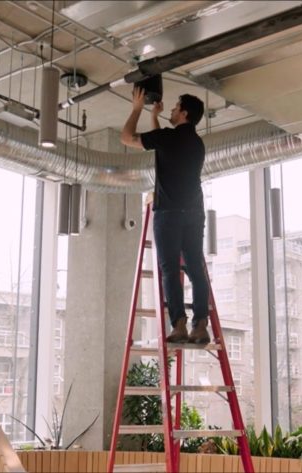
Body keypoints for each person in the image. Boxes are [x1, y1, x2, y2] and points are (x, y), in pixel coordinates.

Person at [120, 87, 210, 345]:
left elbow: (126, 137)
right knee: (195, 268)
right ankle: (200, 325)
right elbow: (163, 146)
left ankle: (179, 325)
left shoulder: (167, 138)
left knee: (170, 270)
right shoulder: (197, 143)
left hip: (169, 213)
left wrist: (137, 108)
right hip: (194, 212)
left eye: (175, 107)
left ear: (183, 113)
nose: (171, 109)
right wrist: (155, 117)